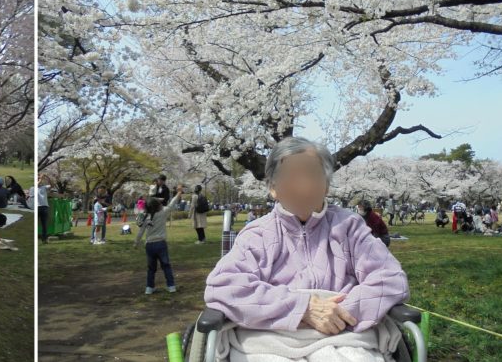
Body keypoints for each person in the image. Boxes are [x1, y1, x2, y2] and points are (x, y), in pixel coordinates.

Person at [205, 137, 407, 346]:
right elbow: (224, 286)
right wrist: (302, 308)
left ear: (326, 186)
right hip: (275, 339)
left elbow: (390, 278)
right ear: (273, 187)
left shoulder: (349, 227)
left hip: (344, 335)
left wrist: (339, 313)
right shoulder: (258, 234)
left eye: (312, 175)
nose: (303, 186)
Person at [133, 186, 183, 294]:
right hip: (161, 243)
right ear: (158, 206)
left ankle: (149, 288)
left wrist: (136, 243)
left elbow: (141, 231)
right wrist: (178, 194)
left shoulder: (146, 217)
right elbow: (171, 204)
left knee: (151, 268)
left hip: (149, 245)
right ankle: (171, 286)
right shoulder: (163, 212)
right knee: (166, 266)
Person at [37, 174, 53, 244]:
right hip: (37, 207)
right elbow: (37, 184)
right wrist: (40, 178)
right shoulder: (35, 187)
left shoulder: (44, 187)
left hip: (44, 207)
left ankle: (44, 239)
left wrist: (47, 177)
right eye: (38, 179)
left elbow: (52, 185)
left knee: (44, 224)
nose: (41, 180)